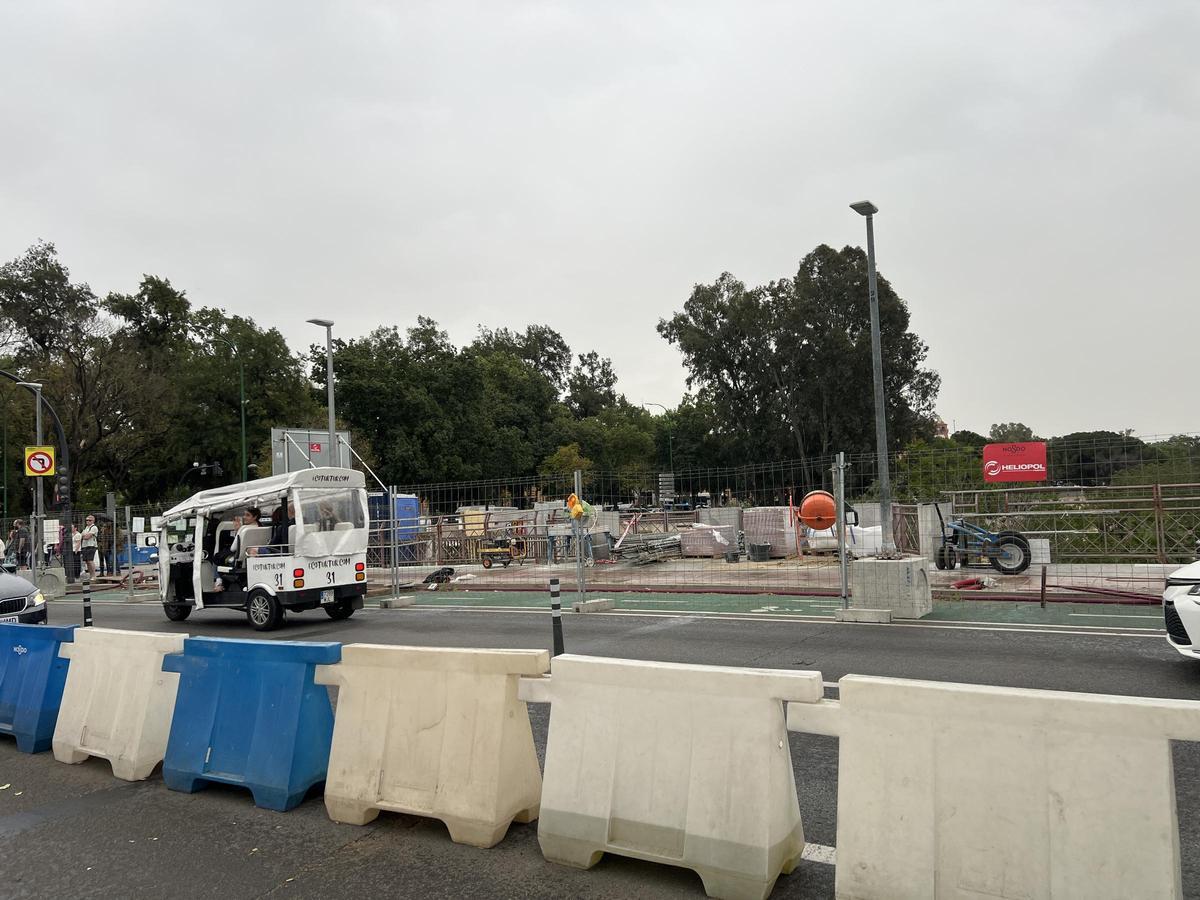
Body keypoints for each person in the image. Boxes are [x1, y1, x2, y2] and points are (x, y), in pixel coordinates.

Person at [80, 514, 99, 580]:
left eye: (89, 520)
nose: (87, 521)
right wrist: (84, 535)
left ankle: (94, 575)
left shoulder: (94, 527)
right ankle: (91, 575)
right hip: (84, 546)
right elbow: (81, 536)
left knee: (90, 560)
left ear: (93, 521)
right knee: (87, 561)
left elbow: (86, 537)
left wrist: (84, 535)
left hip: (91, 546)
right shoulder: (86, 528)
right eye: (87, 520)